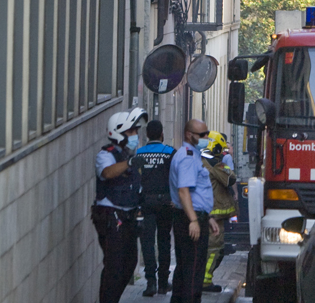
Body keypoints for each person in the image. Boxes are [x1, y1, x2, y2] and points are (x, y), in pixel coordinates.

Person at [92, 107, 146, 303]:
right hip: (111, 216)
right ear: (118, 133)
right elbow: (106, 172)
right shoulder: (106, 154)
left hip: (128, 217)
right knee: (114, 265)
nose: (135, 135)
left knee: (130, 263)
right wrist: (130, 163)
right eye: (131, 132)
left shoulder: (127, 155)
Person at [170, 119, 220, 303]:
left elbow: (196, 192)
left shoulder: (191, 154)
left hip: (195, 216)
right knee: (193, 272)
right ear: (189, 135)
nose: (206, 137)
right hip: (189, 218)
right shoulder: (188, 157)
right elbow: (184, 191)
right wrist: (194, 220)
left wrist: (207, 218)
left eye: (207, 133)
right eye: (202, 135)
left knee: (185, 269)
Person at [132, 120, 176, 297]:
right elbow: (176, 177)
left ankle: (151, 283)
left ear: (147, 135)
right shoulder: (170, 153)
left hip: (146, 203)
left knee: (147, 242)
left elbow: (135, 180)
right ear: (162, 134)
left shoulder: (139, 154)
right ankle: (164, 283)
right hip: (166, 203)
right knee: (164, 242)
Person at [202, 131, 238, 293]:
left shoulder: (198, 160)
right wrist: (226, 166)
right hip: (214, 213)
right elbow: (231, 179)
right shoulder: (216, 164)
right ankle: (205, 281)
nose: (222, 152)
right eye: (221, 149)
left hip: (204, 211)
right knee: (214, 247)